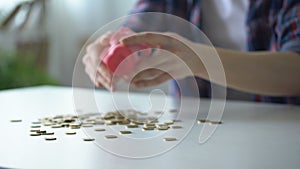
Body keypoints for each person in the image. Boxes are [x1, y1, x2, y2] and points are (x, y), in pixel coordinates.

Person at [83, 0, 300, 104]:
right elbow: (138, 28)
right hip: (195, 136)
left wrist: (200, 60)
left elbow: (295, 70)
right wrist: (107, 48)